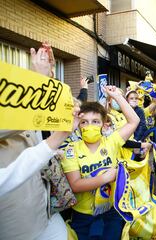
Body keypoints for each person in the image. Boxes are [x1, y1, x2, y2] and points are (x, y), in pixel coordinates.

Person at [0, 43, 79, 240]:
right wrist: (39, 80)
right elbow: (20, 115)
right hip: (16, 221)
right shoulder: (16, 115)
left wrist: (47, 80)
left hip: (45, 209)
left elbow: (45, 115)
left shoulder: (25, 111)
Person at [61, 86, 140, 240]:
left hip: (110, 213)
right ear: (79, 125)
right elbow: (75, 185)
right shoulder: (71, 149)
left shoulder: (111, 142)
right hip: (83, 217)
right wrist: (105, 178)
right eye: (85, 122)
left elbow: (134, 121)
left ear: (104, 124)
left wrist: (117, 96)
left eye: (95, 121)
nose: (90, 126)